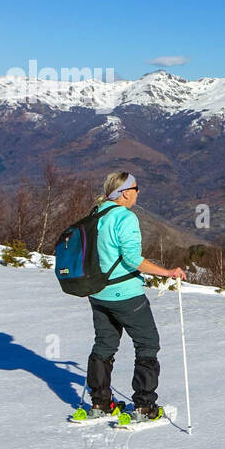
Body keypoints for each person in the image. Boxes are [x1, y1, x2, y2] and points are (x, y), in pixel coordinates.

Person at [83, 171, 186, 421]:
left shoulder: (96, 214)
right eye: (137, 188)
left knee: (104, 344)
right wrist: (167, 272)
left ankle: (100, 403)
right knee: (147, 344)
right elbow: (132, 259)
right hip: (125, 293)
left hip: (97, 292)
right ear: (126, 193)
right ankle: (144, 406)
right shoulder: (125, 218)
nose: (139, 192)